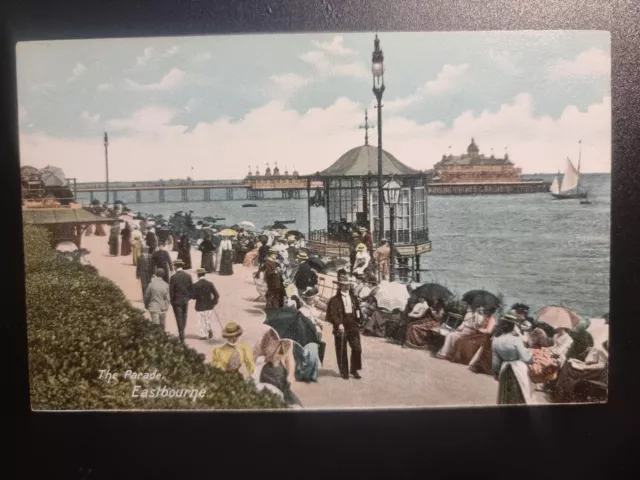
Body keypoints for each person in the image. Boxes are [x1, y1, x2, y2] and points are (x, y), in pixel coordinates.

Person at [326, 272, 363, 380]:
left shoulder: (354, 298)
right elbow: (332, 314)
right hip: (341, 325)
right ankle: (344, 371)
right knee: (341, 349)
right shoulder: (334, 300)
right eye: (344, 285)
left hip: (352, 324)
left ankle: (354, 369)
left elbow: (358, 311)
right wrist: (338, 324)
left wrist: (359, 320)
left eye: (348, 285)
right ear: (340, 286)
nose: (347, 287)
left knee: (357, 348)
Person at [492, 316, 535, 404]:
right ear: (513, 327)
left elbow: (495, 362)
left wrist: (496, 373)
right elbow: (525, 357)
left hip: (504, 369)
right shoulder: (515, 339)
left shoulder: (495, 341)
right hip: (518, 368)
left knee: (506, 393)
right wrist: (531, 357)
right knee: (520, 392)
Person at [260, 343, 302, 407]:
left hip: (281, 378)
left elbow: (289, 358)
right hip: (266, 374)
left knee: (295, 405)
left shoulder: (288, 341)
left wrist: (290, 374)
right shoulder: (269, 338)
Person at [192, 268, 220, 340]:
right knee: (208, 319)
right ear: (204, 274)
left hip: (200, 305)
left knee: (201, 320)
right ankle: (209, 329)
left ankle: (203, 335)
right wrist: (213, 303)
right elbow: (217, 295)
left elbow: (193, 297)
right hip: (208, 305)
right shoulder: (210, 284)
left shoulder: (195, 285)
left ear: (198, 275)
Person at [169, 259, 193, 343]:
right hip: (185, 300)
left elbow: (171, 291)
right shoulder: (188, 276)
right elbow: (191, 289)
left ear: (175, 266)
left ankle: (181, 335)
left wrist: (172, 301)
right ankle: (182, 332)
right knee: (184, 317)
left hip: (177, 301)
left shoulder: (173, 277)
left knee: (179, 318)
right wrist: (188, 297)